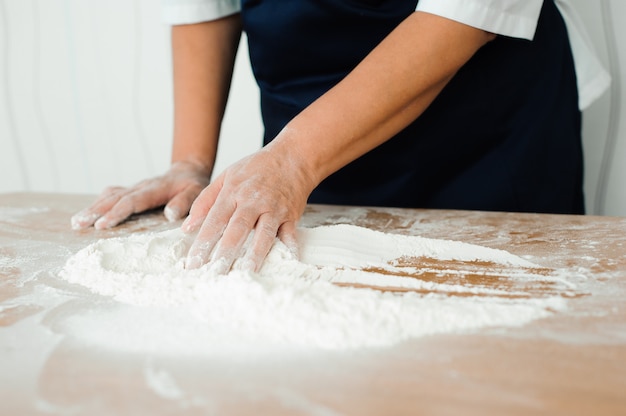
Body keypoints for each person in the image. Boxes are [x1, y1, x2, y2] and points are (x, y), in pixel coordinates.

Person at [72, 0, 596, 273]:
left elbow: (469, 11)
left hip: (484, 132)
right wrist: (188, 161)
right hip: (303, 120)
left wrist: (295, 159)